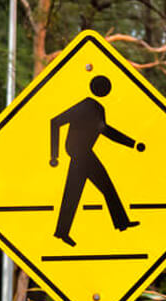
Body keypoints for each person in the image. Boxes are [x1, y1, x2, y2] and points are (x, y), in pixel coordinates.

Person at [50, 75, 145, 247]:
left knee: (90, 189)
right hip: (79, 153)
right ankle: (63, 232)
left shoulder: (98, 109)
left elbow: (106, 130)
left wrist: (132, 144)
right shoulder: (84, 106)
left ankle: (120, 223)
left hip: (85, 153)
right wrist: (54, 155)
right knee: (81, 191)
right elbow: (55, 122)